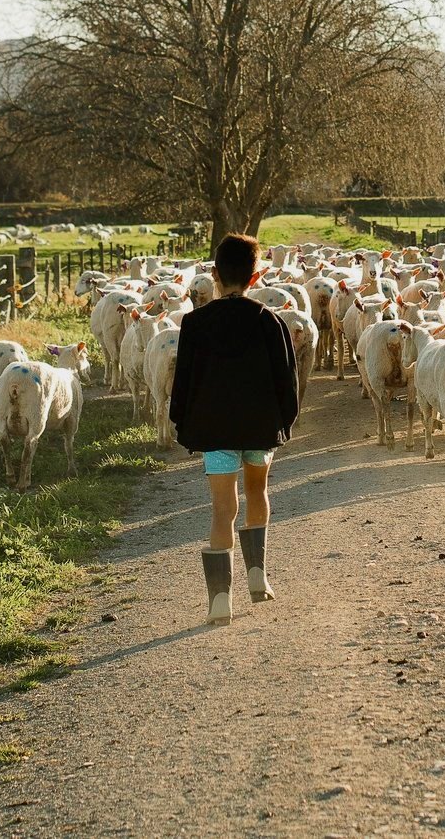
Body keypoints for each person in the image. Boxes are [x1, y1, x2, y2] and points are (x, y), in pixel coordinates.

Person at [167, 232, 300, 625]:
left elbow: (183, 382)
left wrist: (183, 424)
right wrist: (284, 422)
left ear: (214, 274)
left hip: (215, 429)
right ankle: (258, 576)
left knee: (223, 508)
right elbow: (287, 379)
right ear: (255, 277)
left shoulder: (194, 323)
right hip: (260, 427)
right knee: (258, 491)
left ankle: (220, 601)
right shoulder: (270, 321)